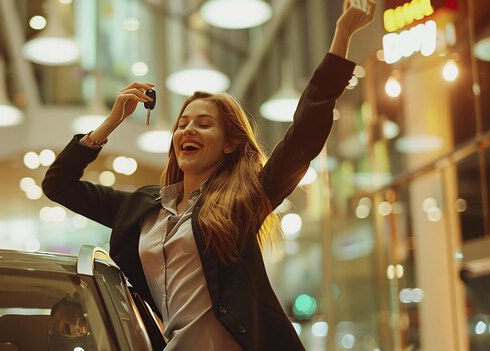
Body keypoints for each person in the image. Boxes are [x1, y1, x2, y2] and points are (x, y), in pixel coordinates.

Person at [42, 1, 375, 349]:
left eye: (204, 124)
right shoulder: (143, 209)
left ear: (230, 144)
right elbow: (59, 185)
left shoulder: (241, 203)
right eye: (182, 124)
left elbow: (304, 134)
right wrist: (111, 122)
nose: (188, 130)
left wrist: (342, 35)